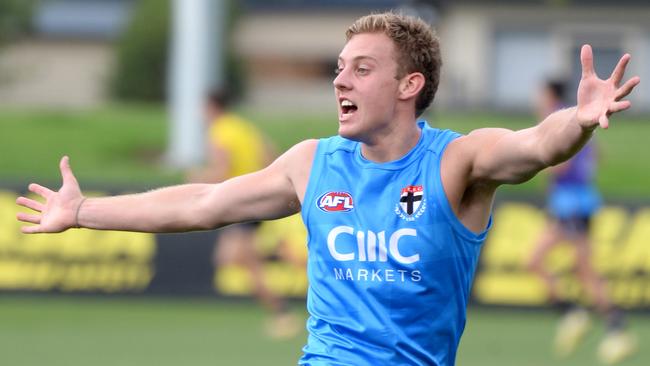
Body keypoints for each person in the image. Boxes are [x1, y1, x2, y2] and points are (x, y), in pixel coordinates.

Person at [15, 12, 640, 366]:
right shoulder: (313, 163)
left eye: (362, 69)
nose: (341, 81)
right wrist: (83, 211)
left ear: (408, 86)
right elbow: (203, 202)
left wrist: (577, 121)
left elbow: (534, 146)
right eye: (340, 69)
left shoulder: (456, 161)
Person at [528, 79, 636, 364]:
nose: (535, 99)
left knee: (546, 263)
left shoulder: (554, 118)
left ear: (549, 94)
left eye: (539, 93)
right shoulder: (575, 116)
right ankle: (593, 322)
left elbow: (560, 165)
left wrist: (533, 168)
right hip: (578, 202)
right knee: (578, 268)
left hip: (571, 206)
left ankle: (593, 322)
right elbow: (599, 154)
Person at [186, 90, 300, 339]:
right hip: (257, 198)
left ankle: (282, 310)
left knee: (230, 258)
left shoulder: (219, 132)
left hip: (241, 202)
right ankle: (281, 308)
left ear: (211, 107)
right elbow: (270, 154)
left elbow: (221, 171)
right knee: (240, 260)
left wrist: (196, 179)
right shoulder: (244, 127)